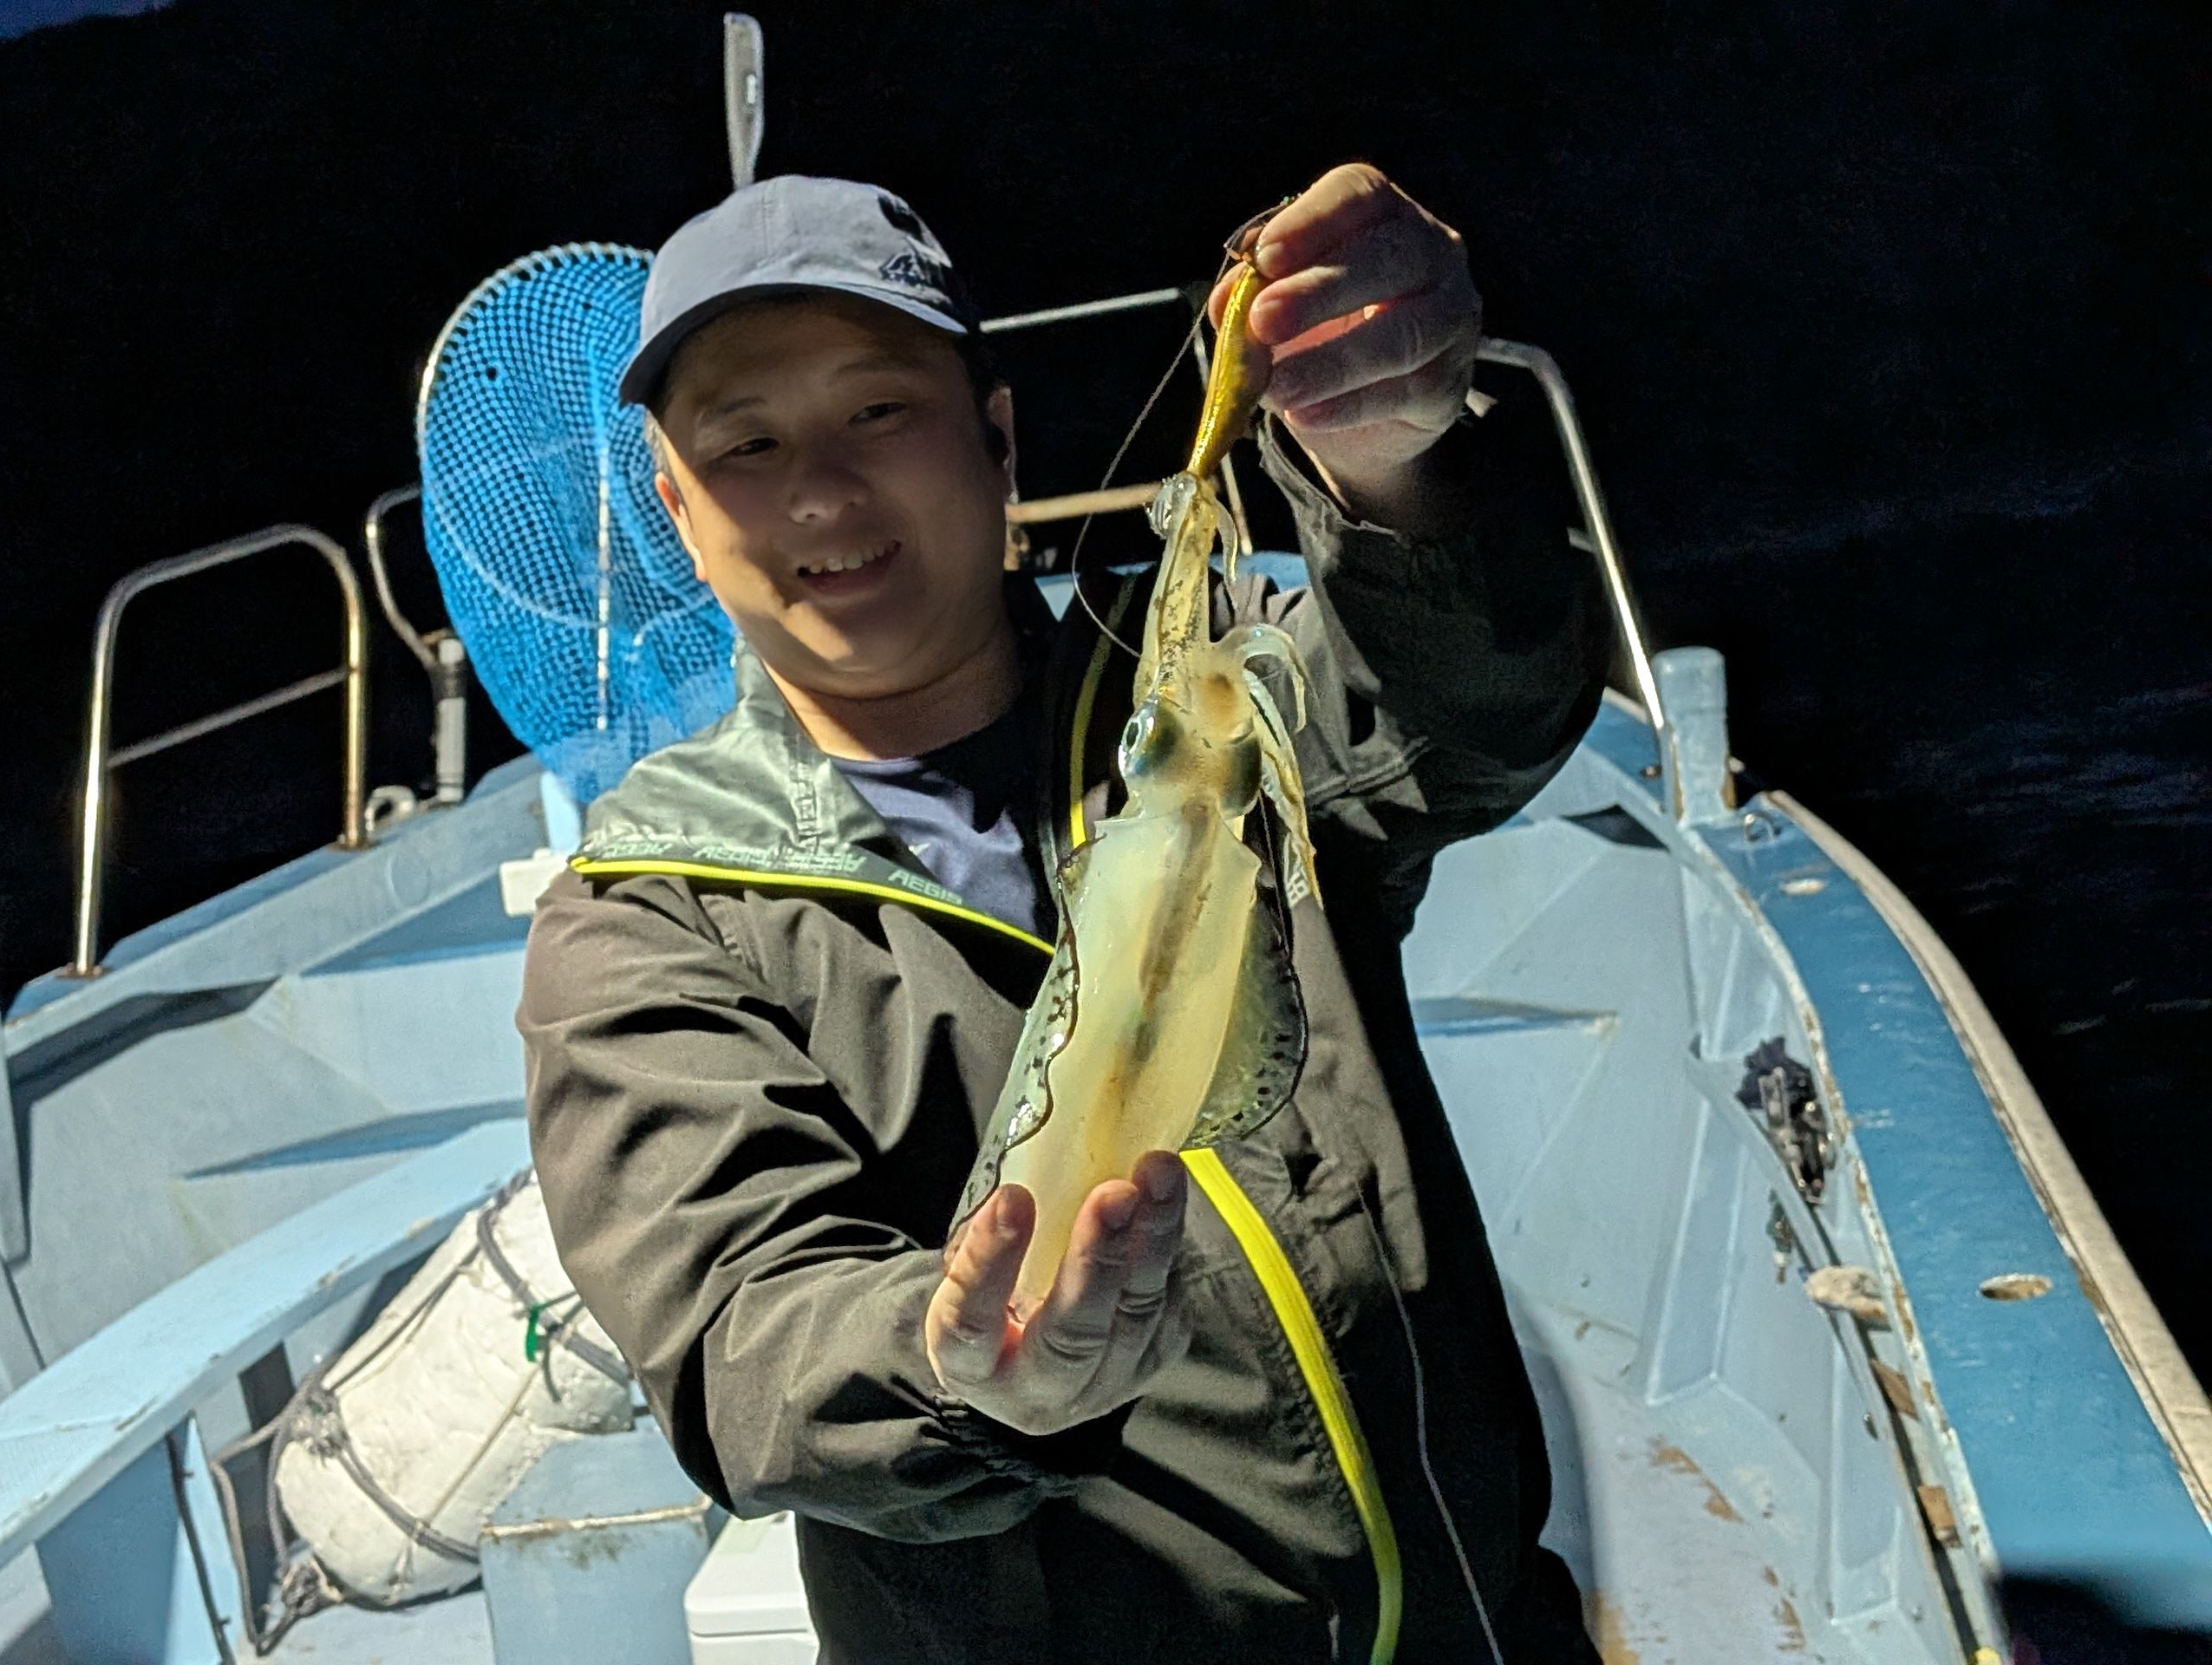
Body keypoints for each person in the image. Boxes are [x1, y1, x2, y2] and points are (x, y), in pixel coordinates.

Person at [519, 164, 1610, 1662]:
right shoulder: (653, 913)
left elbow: (1471, 712)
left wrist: (1399, 466)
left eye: (879, 410)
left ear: (999, 436)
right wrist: (959, 1370)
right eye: (748, 444)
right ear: (680, 514)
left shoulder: (1217, 695)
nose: (823, 494)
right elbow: (744, 1338)